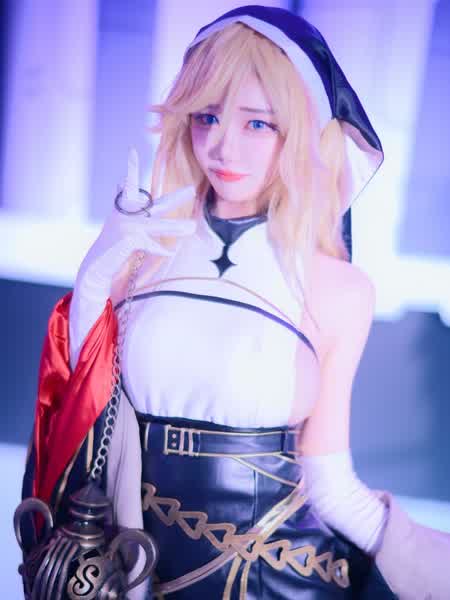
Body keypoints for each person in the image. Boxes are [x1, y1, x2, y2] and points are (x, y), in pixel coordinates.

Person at [20, 5, 450, 599]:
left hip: (281, 572)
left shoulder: (339, 288)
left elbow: (330, 482)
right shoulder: (143, 250)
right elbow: (82, 409)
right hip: (133, 565)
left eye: (258, 124)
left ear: (302, 133)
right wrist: (93, 283)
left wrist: (426, 563)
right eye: (207, 116)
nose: (223, 147)